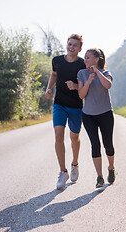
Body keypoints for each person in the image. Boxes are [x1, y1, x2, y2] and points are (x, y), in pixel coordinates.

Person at [45, 34, 86, 190]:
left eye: (75, 45)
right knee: (58, 136)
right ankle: (63, 172)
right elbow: (54, 74)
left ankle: (75, 164)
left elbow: (87, 84)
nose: (71, 47)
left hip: (76, 105)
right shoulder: (57, 61)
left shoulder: (82, 64)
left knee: (74, 137)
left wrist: (76, 86)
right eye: (69, 44)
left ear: (80, 49)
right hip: (59, 104)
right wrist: (49, 88)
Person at [77, 48, 115, 188]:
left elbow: (108, 85)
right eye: (85, 57)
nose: (85, 60)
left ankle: (111, 167)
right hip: (88, 115)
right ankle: (99, 177)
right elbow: (81, 95)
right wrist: (88, 81)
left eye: (88, 57)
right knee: (95, 145)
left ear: (96, 59)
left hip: (105, 113)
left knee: (108, 145)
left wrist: (97, 72)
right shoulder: (81, 73)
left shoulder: (105, 73)